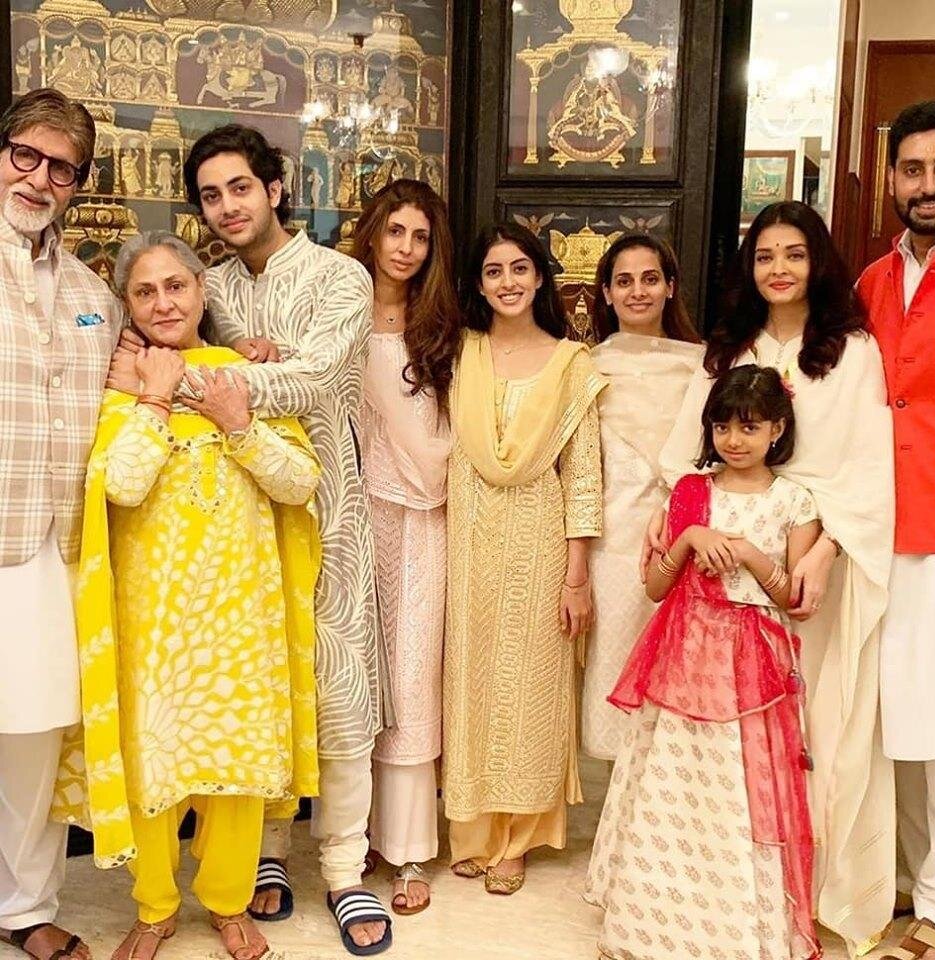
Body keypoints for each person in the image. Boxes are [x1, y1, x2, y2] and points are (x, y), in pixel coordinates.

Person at [110, 124, 389, 955]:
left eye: (240, 187)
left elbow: (316, 378)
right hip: (224, 527)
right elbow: (169, 349)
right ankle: (263, 857)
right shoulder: (214, 285)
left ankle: (343, 868)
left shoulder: (341, 276)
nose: (227, 206)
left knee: (337, 684)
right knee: (252, 691)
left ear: (274, 188)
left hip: (321, 498)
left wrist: (173, 379)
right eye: (210, 195)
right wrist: (205, 362)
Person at [53, 231, 321, 960]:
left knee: (237, 762)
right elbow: (122, 484)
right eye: (145, 292)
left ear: (203, 291)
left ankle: (230, 903)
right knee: (154, 763)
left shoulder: (245, 378)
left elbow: (300, 483)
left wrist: (239, 425)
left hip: (241, 613)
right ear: (127, 304)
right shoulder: (120, 389)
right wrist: (154, 397)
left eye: (176, 286)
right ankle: (154, 908)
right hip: (154, 626)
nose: (163, 303)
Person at [651, 201, 896, 954]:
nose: (779, 269)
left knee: (817, 730)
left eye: (794, 254)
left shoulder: (852, 350)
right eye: (764, 255)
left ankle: (809, 892)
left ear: (817, 262)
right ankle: (726, 890)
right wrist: (674, 519)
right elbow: (687, 450)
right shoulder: (730, 347)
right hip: (725, 569)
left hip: (818, 561)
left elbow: (869, 466)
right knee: (729, 740)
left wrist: (823, 551)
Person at [587, 365, 822, 960]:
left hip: (753, 670)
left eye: (750, 427)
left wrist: (748, 554)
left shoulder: (794, 502)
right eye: (722, 427)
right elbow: (655, 589)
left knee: (736, 795)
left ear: (777, 429)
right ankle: (649, 924)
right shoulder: (692, 491)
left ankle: (730, 932)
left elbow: (796, 602)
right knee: (671, 786)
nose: (734, 440)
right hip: (685, 660)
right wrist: (690, 538)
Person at [443, 222, 605, 895]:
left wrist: (576, 576)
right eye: (493, 271)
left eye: (519, 269)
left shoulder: (572, 364)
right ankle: (476, 831)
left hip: (539, 545)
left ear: (540, 276)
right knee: (473, 684)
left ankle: (520, 837)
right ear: (479, 285)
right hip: (468, 543)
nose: (507, 282)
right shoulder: (462, 353)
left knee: (531, 689)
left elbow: (584, 476)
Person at [0, 89, 122, 960]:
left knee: (35, 734)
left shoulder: (93, 294)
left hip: (51, 545)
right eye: (26, 156)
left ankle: (25, 907)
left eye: (62, 169)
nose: (39, 179)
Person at [858, 100, 935, 960]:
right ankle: (902, 879)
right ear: (892, 179)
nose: (929, 186)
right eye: (915, 169)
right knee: (888, 720)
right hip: (874, 530)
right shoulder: (870, 283)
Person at [353, 179, 459, 915]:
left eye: (420, 237)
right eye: (395, 231)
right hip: (354, 510)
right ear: (372, 232)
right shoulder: (338, 307)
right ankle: (354, 832)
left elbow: (451, 427)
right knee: (359, 673)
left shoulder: (444, 324)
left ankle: (411, 848)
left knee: (414, 672)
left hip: (427, 515)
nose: (406, 248)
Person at [581, 232, 703, 762]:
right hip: (612, 543)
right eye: (624, 281)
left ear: (670, 287)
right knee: (614, 680)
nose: (637, 292)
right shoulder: (586, 367)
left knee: (680, 680)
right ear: (606, 293)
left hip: (683, 539)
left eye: (650, 279)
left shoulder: (703, 367)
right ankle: (617, 802)